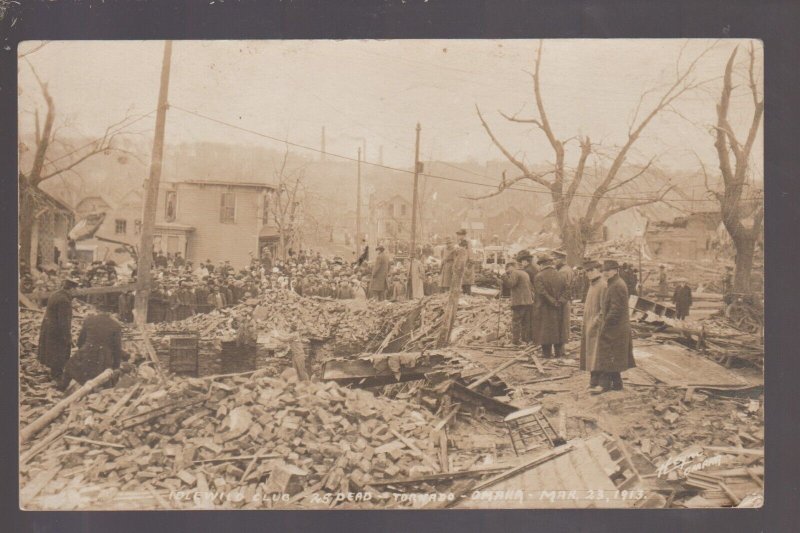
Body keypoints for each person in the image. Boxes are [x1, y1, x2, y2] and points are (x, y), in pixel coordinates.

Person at [594, 259, 636, 394]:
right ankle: (617, 384)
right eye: (604, 271)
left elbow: (616, 310)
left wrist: (605, 323)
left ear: (615, 270)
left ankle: (604, 385)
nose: (605, 273)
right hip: (616, 327)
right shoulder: (614, 283)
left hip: (615, 327)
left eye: (608, 270)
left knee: (607, 353)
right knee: (614, 355)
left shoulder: (617, 285)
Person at [58, 312, 125, 391]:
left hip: (87, 352)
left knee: (70, 366)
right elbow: (117, 349)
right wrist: (115, 366)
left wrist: (82, 352)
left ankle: (62, 387)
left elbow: (80, 341)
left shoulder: (89, 320)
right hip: (103, 359)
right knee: (104, 379)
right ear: (111, 313)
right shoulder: (116, 325)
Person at [37, 278, 78, 380]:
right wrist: (67, 337)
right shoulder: (64, 300)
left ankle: (54, 372)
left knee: (52, 351)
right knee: (59, 352)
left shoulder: (55, 294)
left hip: (49, 328)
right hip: (57, 331)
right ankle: (57, 376)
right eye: (75, 289)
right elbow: (64, 322)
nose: (76, 292)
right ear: (71, 289)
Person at [532, 255, 568, 358]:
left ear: (542, 265)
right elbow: (568, 290)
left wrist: (552, 301)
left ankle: (547, 354)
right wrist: (560, 301)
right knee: (559, 329)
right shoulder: (561, 275)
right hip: (560, 307)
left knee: (545, 330)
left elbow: (541, 292)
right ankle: (559, 353)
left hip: (545, 308)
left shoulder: (539, 276)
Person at [579, 260, 607, 390]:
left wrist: (596, 323)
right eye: (587, 271)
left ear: (598, 270)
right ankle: (593, 381)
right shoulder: (592, 285)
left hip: (597, 327)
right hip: (589, 325)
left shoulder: (603, 285)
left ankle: (602, 383)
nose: (589, 273)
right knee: (590, 354)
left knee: (599, 355)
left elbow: (604, 310)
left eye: (592, 270)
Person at [503, 261, 533, 345]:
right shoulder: (525, 273)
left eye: (507, 268)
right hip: (528, 301)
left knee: (516, 321)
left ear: (511, 266)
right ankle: (526, 339)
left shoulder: (515, 272)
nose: (507, 270)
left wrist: (504, 276)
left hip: (519, 301)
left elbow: (510, 284)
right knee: (525, 322)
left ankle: (516, 341)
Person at [456, 230, 473, 295]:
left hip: (466, 262)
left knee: (466, 281)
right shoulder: (461, 242)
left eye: (459, 235)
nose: (458, 236)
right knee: (463, 281)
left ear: (463, 235)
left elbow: (469, 251)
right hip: (463, 262)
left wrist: (469, 261)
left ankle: (467, 295)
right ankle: (465, 294)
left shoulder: (466, 241)